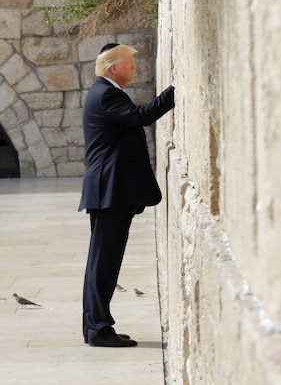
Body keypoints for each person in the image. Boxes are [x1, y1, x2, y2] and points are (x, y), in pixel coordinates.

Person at [79, 43, 175, 347]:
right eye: (129, 63)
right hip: (109, 191)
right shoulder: (106, 93)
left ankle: (95, 327)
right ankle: (98, 329)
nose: (134, 67)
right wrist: (176, 91)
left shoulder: (105, 92)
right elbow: (141, 117)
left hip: (111, 191)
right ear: (112, 69)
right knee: (103, 263)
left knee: (103, 262)